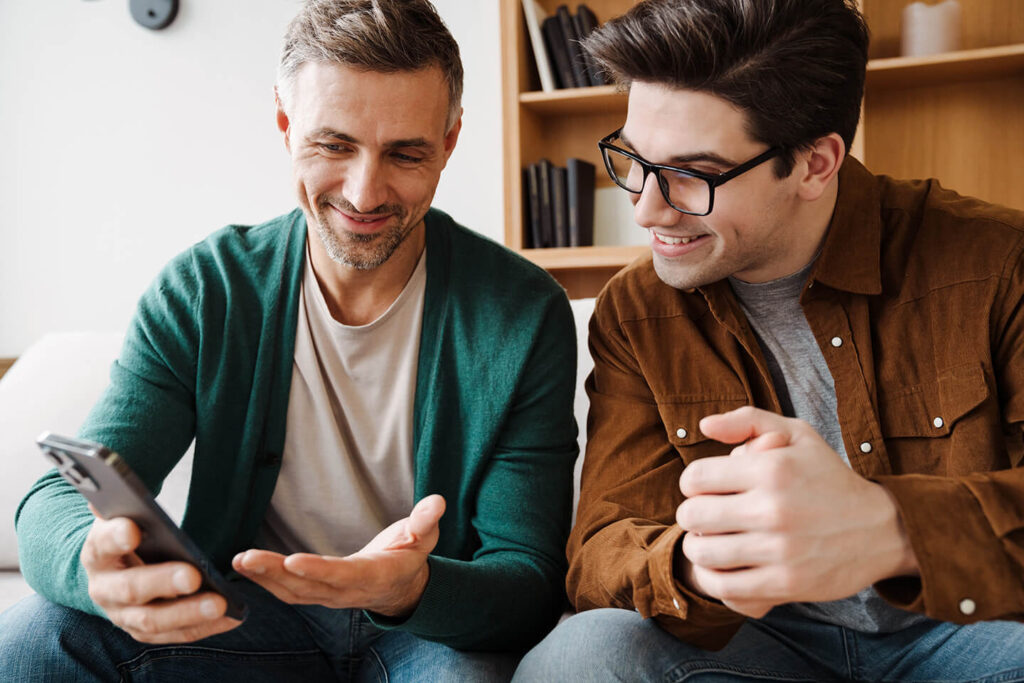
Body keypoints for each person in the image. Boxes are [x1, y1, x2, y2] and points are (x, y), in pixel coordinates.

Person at [0, 1, 578, 680]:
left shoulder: (523, 312)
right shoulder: (207, 288)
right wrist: (91, 563)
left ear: (449, 141)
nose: (364, 192)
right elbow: (56, 497)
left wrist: (407, 588)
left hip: (429, 632)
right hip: (247, 618)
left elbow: (528, 580)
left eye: (405, 152)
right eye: (334, 144)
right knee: (37, 639)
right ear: (284, 122)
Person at [513, 0, 1024, 680]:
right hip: (761, 644)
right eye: (634, 159)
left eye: (692, 173)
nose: (645, 207)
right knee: (582, 656)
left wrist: (892, 529)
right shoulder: (636, 310)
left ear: (815, 164)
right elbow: (602, 547)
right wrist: (703, 564)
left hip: (973, 634)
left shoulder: (998, 264)